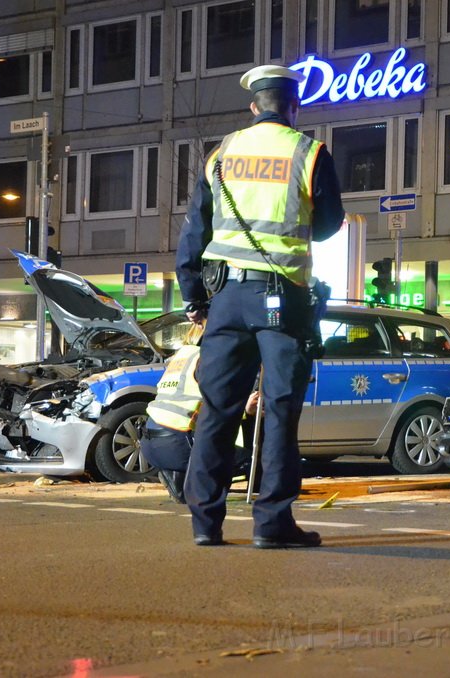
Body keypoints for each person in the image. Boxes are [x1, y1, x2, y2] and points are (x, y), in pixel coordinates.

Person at [175, 63, 345, 548]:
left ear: (254, 106)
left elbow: (194, 233)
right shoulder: (309, 153)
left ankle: (205, 524)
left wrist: (194, 300)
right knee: (279, 409)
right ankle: (272, 524)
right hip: (283, 298)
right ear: (293, 106)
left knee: (217, 410)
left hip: (226, 298)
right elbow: (330, 223)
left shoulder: (221, 153)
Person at [140, 323, 258, 504]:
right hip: (178, 442)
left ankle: (179, 479)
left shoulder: (182, 355)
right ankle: (204, 489)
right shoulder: (208, 359)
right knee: (246, 458)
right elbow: (220, 405)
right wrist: (246, 409)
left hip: (151, 440)